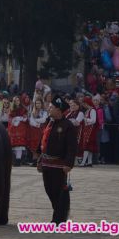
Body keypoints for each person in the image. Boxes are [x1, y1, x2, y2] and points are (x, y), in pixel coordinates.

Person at [37, 95, 77, 225]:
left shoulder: (68, 126)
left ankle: (59, 219)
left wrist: (69, 163)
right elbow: (44, 140)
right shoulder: (50, 123)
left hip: (60, 165)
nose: (49, 108)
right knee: (49, 190)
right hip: (47, 163)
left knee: (59, 192)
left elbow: (72, 147)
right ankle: (59, 214)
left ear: (59, 110)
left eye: (51, 107)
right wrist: (39, 158)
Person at [8, 95, 28, 166]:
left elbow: (25, 118)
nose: (17, 102)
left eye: (18, 100)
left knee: (19, 146)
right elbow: (10, 118)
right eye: (15, 101)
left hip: (21, 129)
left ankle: (18, 160)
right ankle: (15, 160)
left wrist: (20, 118)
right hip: (13, 129)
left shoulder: (23, 109)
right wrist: (14, 119)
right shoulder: (11, 109)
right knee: (14, 146)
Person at [27, 98, 47, 166]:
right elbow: (31, 121)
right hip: (33, 130)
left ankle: (39, 160)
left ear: (41, 104)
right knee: (33, 145)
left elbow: (43, 120)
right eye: (36, 103)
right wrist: (36, 123)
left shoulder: (44, 111)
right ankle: (34, 160)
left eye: (39, 103)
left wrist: (35, 120)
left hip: (41, 130)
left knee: (40, 145)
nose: (38, 105)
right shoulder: (33, 111)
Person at [79, 97, 98, 167]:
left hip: (91, 130)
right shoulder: (87, 111)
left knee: (87, 146)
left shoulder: (92, 110)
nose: (83, 105)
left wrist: (85, 119)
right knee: (89, 147)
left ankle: (83, 162)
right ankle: (89, 162)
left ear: (87, 103)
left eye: (84, 104)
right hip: (87, 129)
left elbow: (93, 120)